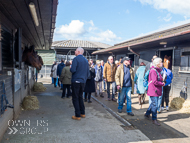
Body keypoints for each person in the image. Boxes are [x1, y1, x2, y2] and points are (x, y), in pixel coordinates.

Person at [70, 47, 90, 120]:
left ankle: (77, 115)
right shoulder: (86, 60)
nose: (75, 52)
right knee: (80, 97)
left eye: (75, 51)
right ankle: (82, 113)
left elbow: (73, 70)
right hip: (83, 82)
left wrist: (70, 68)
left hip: (76, 81)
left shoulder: (75, 59)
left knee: (75, 98)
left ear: (78, 51)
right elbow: (88, 73)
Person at [144, 58, 165, 126]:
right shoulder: (153, 71)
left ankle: (147, 114)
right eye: (161, 62)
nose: (162, 63)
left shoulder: (158, 70)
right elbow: (155, 81)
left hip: (156, 89)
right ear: (157, 63)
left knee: (153, 103)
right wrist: (162, 84)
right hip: (154, 90)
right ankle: (154, 119)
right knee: (155, 105)